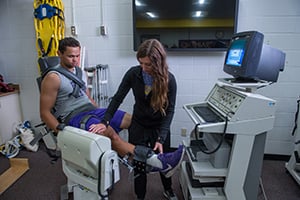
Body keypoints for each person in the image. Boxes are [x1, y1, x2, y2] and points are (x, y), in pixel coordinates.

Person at [39, 37, 184, 178]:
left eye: (77, 55)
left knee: (132, 121)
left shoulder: (78, 72)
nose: (75, 60)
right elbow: (44, 113)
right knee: (109, 132)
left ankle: (134, 157)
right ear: (59, 54)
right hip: (74, 116)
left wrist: (102, 117)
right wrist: (61, 132)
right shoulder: (53, 77)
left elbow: (88, 99)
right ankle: (155, 161)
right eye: (71, 56)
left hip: (90, 110)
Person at [95, 39, 182, 200]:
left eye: (148, 64)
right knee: (139, 164)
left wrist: (161, 138)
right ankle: (140, 196)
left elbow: (170, 111)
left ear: (158, 63)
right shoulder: (133, 73)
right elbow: (118, 98)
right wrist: (105, 120)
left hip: (159, 127)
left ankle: (168, 189)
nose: (143, 68)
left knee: (163, 162)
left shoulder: (170, 80)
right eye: (141, 63)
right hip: (139, 124)